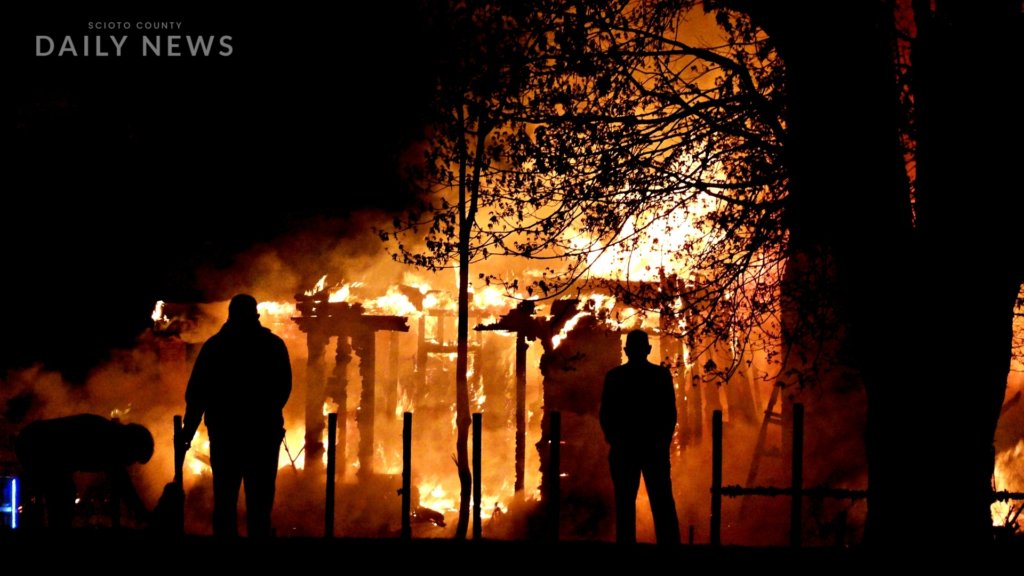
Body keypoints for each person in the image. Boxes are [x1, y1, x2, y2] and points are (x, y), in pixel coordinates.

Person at [178, 293, 292, 537]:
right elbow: (283, 389)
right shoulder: (272, 346)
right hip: (262, 435)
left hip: (226, 434)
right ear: (255, 314)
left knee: (225, 500)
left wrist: (188, 431)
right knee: (260, 504)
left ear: (230, 315)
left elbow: (197, 394)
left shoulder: (215, 347)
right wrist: (266, 414)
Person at [599, 329, 680, 545]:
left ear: (626, 351)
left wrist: (616, 440)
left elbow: (606, 414)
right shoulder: (661, 376)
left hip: (624, 449)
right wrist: (662, 442)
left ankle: (626, 546)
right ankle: (669, 546)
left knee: (625, 503)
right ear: (648, 349)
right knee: (662, 500)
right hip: (653, 448)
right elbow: (669, 414)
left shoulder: (615, 377)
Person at [15, 414, 153, 529]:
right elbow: (123, 483)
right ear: (133, 445)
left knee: (61, 492)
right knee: (63, 492)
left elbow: (121, 481)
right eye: (134, 458)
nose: (130, 463)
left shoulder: (109, 433)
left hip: (32, 439)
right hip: (36, 443)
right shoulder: (110, 440)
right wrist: (143, 514)